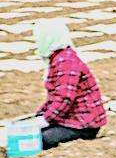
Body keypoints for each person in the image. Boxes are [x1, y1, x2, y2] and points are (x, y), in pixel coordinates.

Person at [29, 20, 105, 150]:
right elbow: (54, 97)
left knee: (41, 139)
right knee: (31, 132)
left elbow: (65, 97)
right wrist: (39, 115)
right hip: (69, 116)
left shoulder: (66, 61)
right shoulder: (57, 58)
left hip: (83, 123)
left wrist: (45, 119)